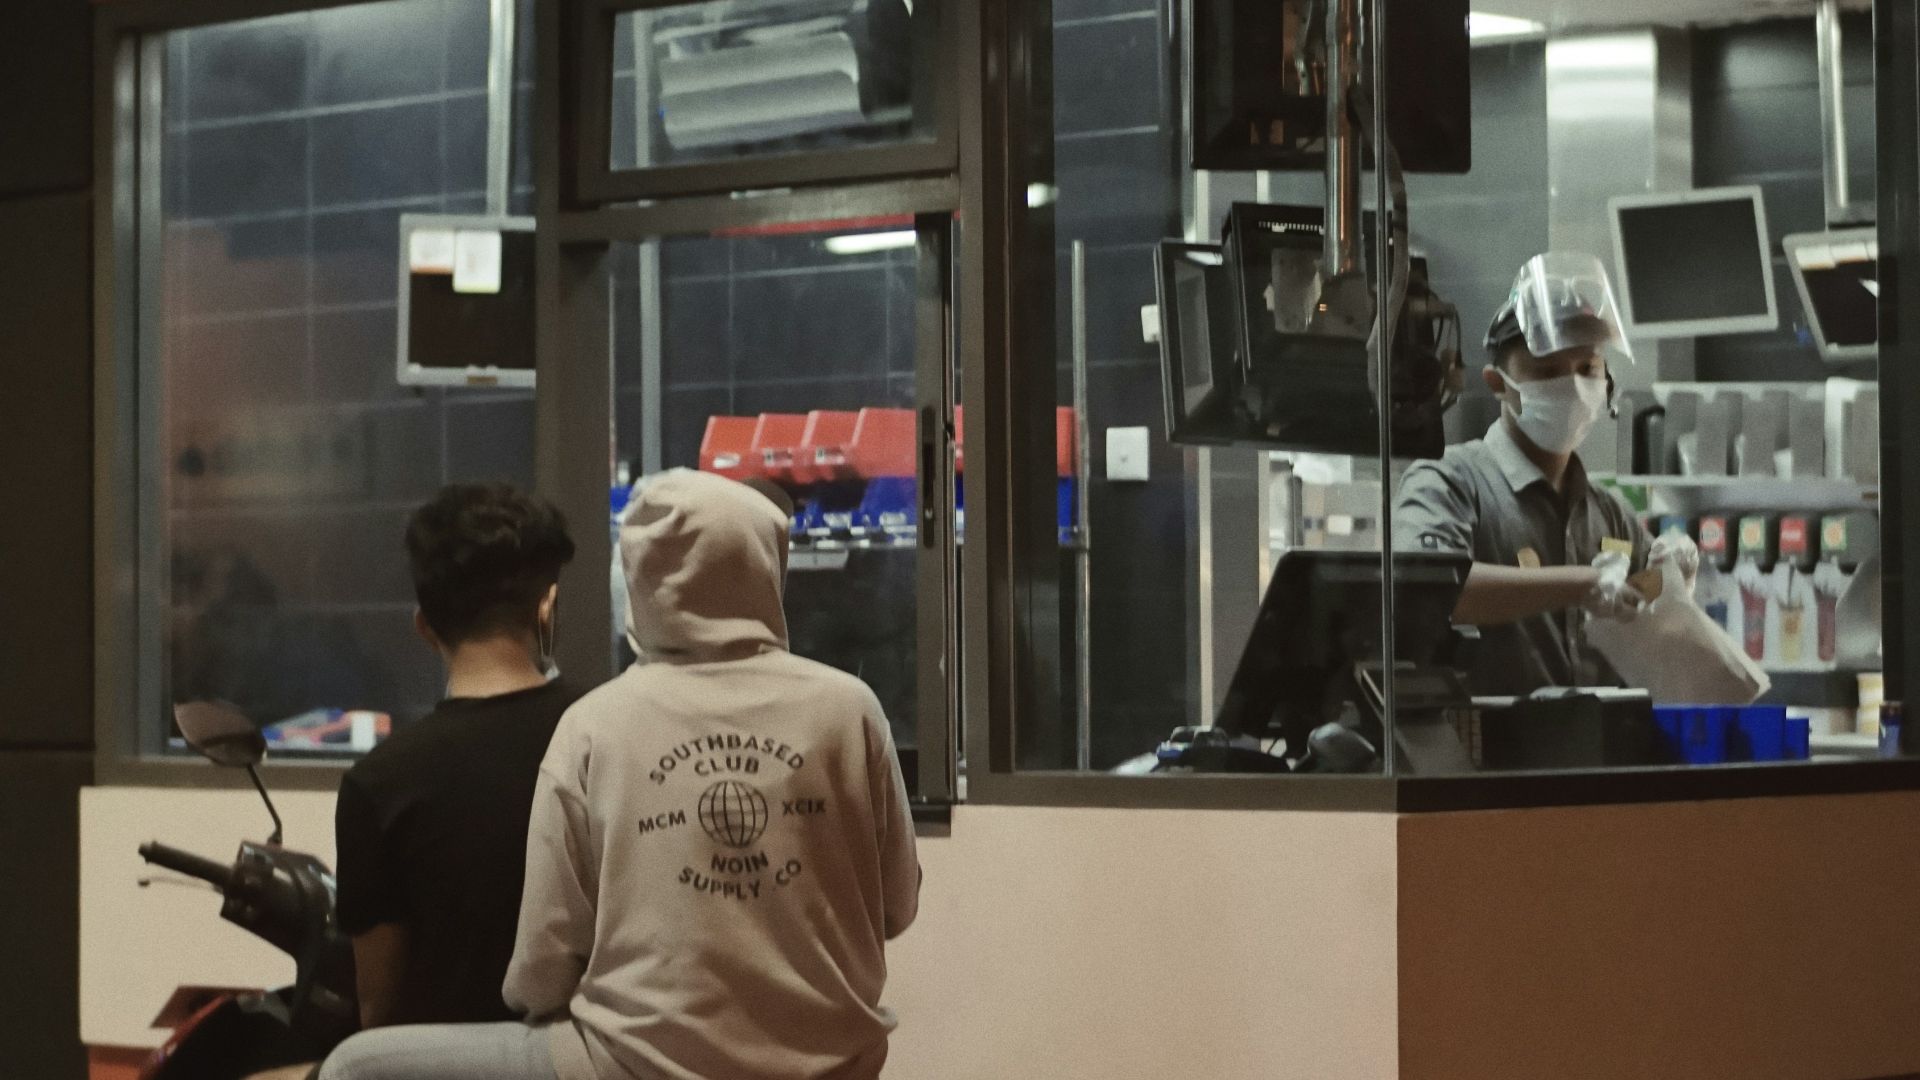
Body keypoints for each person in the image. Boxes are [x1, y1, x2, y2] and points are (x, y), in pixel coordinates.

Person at [318, 469, 921, 1080]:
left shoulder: (595, 727)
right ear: (766, 563)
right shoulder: (850, 709)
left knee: (353, 1066)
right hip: (838, 1066)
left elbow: (541, 970)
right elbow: (896, 907)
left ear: (640, 578)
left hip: (628, 1068)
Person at [332, 482, 584, 1031]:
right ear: (548, 610)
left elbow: (378, 1008)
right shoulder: (609, 735)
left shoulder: (379, 781)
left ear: (425, 627)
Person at [1394, 252, 1693, 696]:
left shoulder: (1608, 513)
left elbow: (1637, 601)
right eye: (1548, 371)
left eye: (1587, 369)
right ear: (1498, 383)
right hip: (1485, 753)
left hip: (1592, 754)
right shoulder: (1451, 481)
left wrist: (1672, 576)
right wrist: (1582, 583)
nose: (1572, 385)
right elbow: (1436, 589)